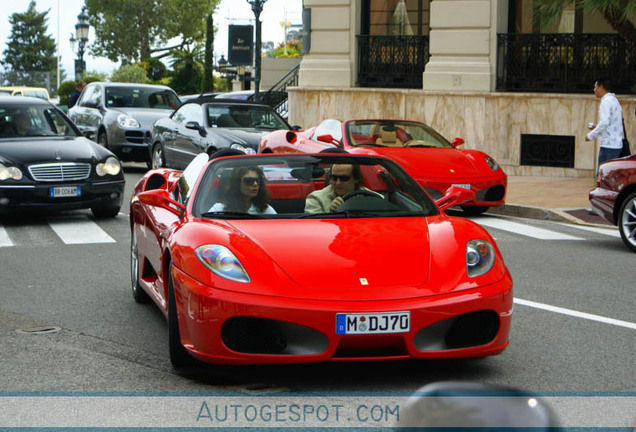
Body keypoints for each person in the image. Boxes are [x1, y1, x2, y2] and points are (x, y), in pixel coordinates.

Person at [585, 76, 624, 171]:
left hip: (608, 145)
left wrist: (590, 136)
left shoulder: (606, 102)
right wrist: (596, 127)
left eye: (595, 87)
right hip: (615, 144)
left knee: (603, 175)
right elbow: (609, 122)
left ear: (601, 87)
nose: (594, 90)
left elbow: (604, 122)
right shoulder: (614, 100)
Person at [209, 166, 276, 215]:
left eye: (257, 181)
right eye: (249, 181)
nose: (255, 184)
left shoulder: (265, 210)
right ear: (237, 184)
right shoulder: (219, 209)